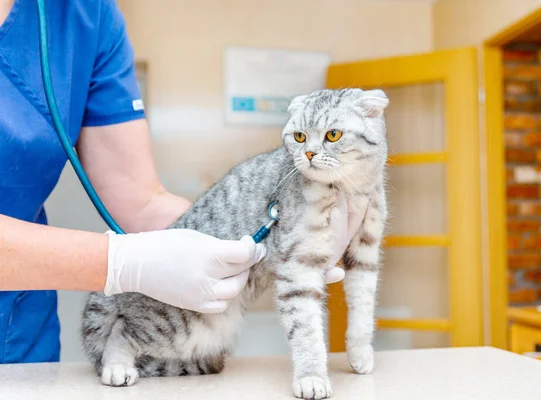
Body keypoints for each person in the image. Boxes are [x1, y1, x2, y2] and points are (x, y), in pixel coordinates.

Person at [0, 0, 366, 364]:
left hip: (20, 333)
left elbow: (141, 200)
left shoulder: (85, 14)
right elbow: (129, 254)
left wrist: (250, 236)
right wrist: (121, 262)